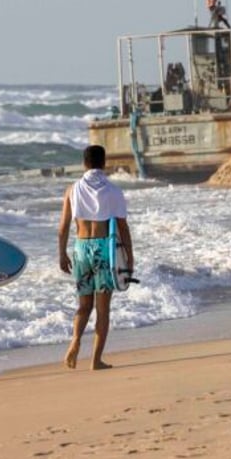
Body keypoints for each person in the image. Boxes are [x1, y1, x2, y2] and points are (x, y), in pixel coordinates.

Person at [58, 145, 134, 370]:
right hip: (104, 250)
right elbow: (123, 227)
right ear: (104, 162)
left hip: (80, 248)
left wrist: (61, 254)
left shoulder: (72, 190)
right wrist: (129, 258)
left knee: (84, 304)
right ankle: (96, 360)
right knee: (102, 308)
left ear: (84, 163)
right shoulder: (113, 191)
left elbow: (62, 227)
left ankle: (75, 340)